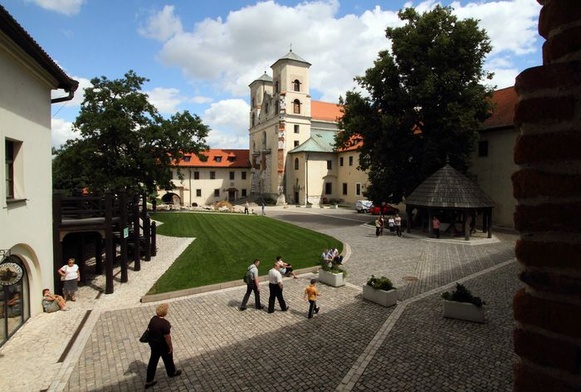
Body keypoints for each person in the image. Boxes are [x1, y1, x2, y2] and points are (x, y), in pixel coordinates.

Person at [145, 303, 182, 389]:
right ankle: (171, 372)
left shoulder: (153, 319)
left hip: (154, 344)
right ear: (165, 313)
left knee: (153, 362)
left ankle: (149, 381)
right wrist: (170, 347)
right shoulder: (165, 324)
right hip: (162, 345)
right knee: (168, 359)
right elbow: (167, 337)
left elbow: (149, 329)